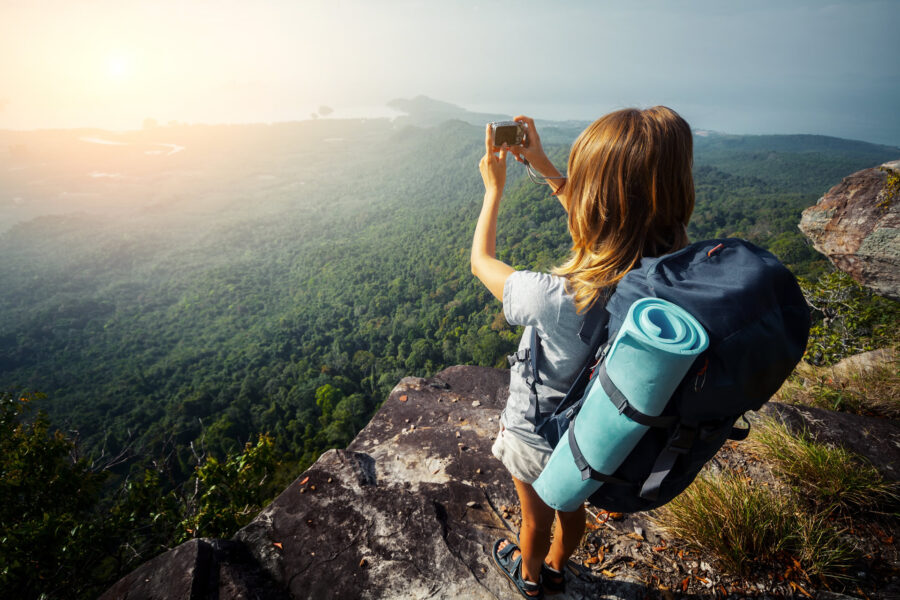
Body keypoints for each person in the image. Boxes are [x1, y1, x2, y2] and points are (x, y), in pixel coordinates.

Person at [471, 108, 694, 598]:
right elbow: (617, 222)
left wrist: (494, 190)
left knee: (534, 517)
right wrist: (543, 163)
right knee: (570, 512)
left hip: (536, 436)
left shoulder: (553, 297)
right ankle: (557, 566)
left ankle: (531, 580)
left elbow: (480, 261)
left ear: (593, 202)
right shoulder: (667, 274)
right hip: (595, 438)